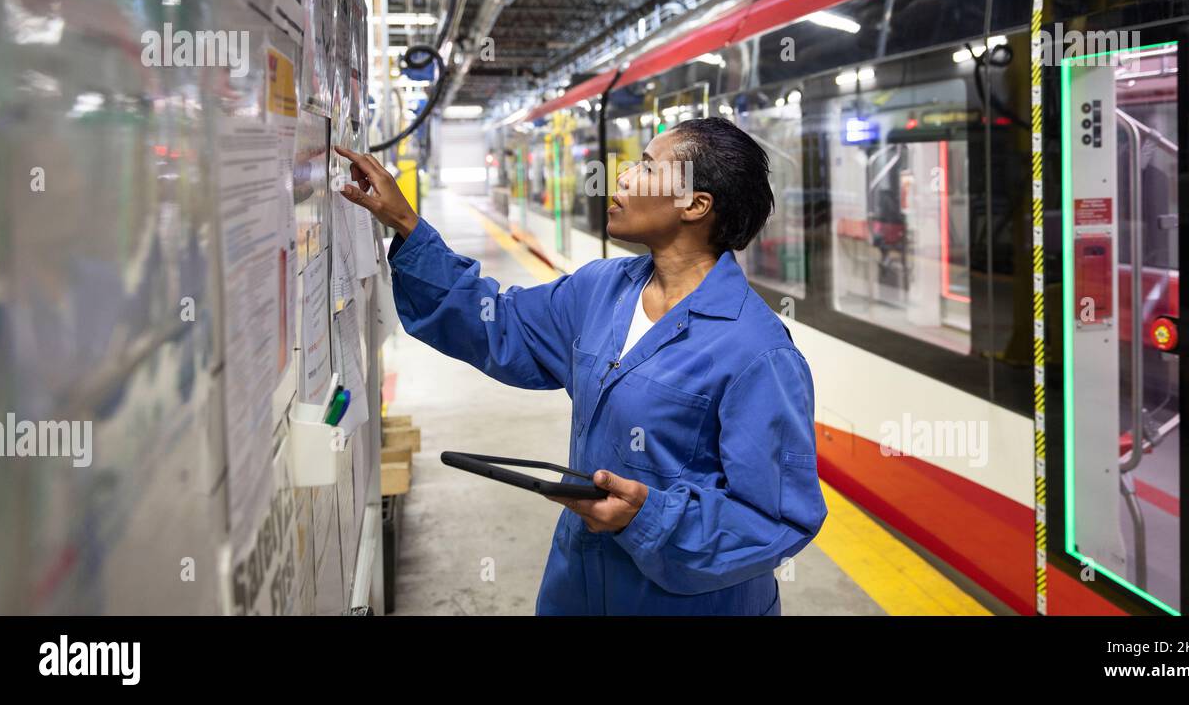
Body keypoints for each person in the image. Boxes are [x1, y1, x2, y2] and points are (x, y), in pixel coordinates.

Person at [335, 117, 827, 615]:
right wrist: (408, 227)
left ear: (695, 205)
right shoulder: (602, 289)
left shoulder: (759, 352)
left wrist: (648, 516)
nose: (624, 177)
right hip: (580, 583)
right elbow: (499, 324)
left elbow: (777, 518)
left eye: (646, 167)